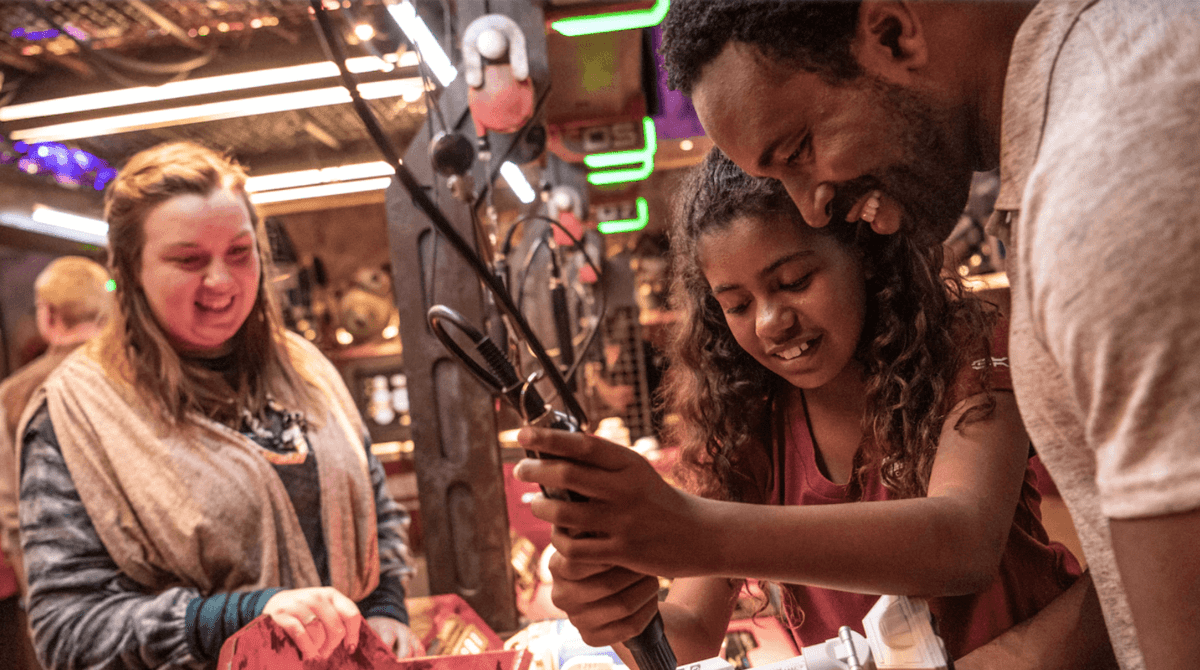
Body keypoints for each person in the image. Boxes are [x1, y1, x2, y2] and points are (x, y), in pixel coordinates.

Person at [653, 2, 1199, 668]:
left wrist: (697, 532)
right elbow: (1137, 570)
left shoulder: (1104, 179)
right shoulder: (1088, 125)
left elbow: (1174, 609)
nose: (814, 208)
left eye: (799, 151)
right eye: (737, 303)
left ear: (891, 32)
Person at [514, 148, 1094, 664]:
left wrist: (694, 530)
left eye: (793, 280)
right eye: (737, 305)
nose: (771, 322)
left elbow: (964, 542)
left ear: (865, 255)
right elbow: (691, 630)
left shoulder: (967, 350)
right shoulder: (745, 422)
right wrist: (620, 614)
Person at [16, 141, 422, 669]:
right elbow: (68, 631)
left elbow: (375, 511)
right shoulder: (75, 414)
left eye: (239, 252)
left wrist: (385, 608)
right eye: (188, 260)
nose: (221, 280)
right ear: (131, 269)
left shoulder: (305, 370)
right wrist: (236, 619)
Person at [0, 255, 112, 670]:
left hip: (62, 593)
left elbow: (13, 514)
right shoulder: (137, 376)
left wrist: (37, 603)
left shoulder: (15, 395)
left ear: (47, 314)